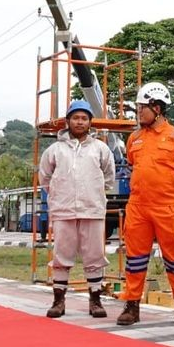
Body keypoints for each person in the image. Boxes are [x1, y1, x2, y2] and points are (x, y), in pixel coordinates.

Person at [116, 82, 174, 327]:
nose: (138, 112)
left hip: (167, 207)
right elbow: (132, 168)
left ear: (157, 108)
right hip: (138, 207)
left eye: (142, 108)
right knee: (135, 259)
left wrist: (168, 188)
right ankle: (132, 306)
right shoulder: (134, 139)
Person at [39, 99, 115, 319]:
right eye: (76, 118)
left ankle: (96, 300)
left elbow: (108, 176)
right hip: (63, 211)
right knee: (61, 255)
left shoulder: (100, 148)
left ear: (90, 122)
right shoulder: (55, 150)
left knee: (95, 255)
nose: (80, 122)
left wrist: (94, 192)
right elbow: (45, 177)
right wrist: (58, 194)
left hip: (93, 210)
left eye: (84, 118)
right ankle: (58, 301)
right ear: (68, 121)